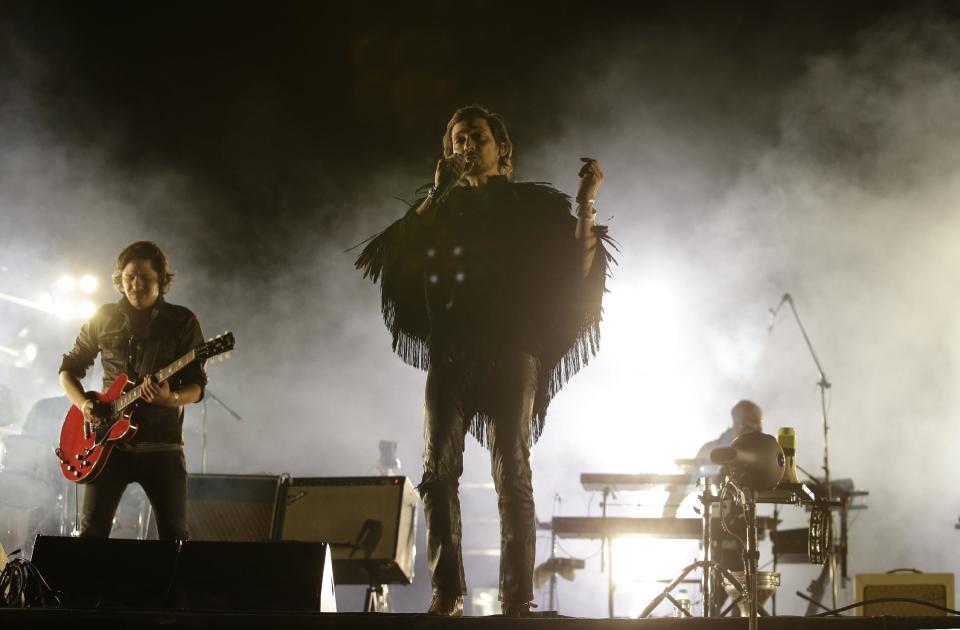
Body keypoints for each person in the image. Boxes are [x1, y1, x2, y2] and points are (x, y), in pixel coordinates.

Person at [355, 104, 614, 616]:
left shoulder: (528, 205)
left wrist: (586, 203)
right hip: (451, 350)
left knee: (512, 471)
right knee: (436, 472)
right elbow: (396, 255)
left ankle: (517, 599)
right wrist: (434, 193)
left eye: (475, 137)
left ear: (502, 149)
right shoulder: (440, 210)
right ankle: (447, 591)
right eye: (456, 140)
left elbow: (578, 261)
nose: (465, 147)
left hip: (512, 347)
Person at [58, 241, 206, 540]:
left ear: (163, 281)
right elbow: (68, 370)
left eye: (146, 279)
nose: (136, 286)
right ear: (119, 278)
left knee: (175, 537)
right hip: (108, 447)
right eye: (129, 278)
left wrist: (170, 398)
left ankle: (172, 588)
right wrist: (84, 405)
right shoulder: (104, 317)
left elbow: (198, 388)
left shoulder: (182, 321)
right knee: (90, 534)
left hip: (162, 446)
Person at [663, 399, 764, 518]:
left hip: (741, 525)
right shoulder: (710, 450)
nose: (747, 432)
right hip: (714, 525)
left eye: (752, 429)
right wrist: (667, 518)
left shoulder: (757, 455)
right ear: (736, 424)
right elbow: (685, 484)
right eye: (744, 426)